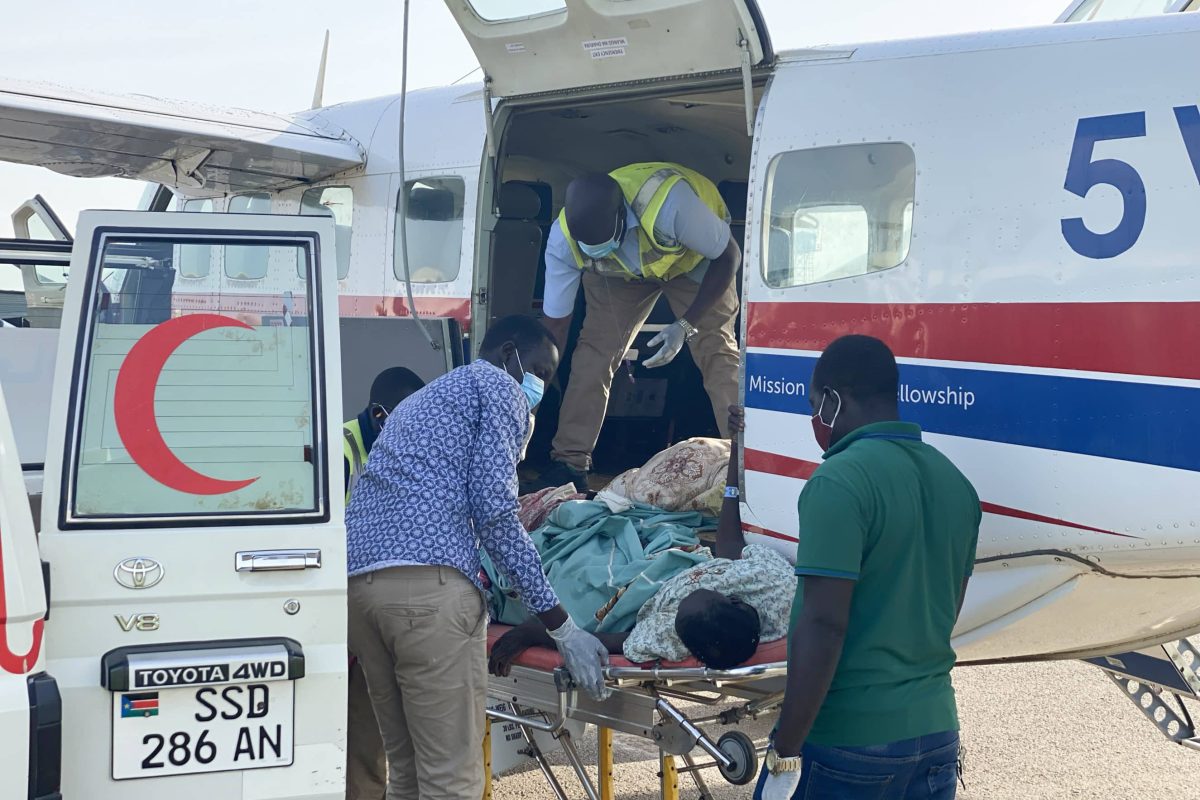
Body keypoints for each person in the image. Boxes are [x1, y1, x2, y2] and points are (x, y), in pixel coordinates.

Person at [345, 315, 610, 800]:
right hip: (427, 596)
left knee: (406, 771)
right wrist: (561, 626)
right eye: (541, 372)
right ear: (508, 352)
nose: (540, 389)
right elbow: (495, 514)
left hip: (361, 594)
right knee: (452, 780)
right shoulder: (497, 387)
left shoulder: (422, 402)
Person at [757, 336, 980, 800]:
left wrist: (785, 748)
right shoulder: (956, 485)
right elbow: (945, 613)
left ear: (834, 399)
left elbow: (824, 624)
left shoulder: (838, 481)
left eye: (816, 404)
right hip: (937, 732)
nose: (815, 419)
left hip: (849, 739)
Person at [491, 406, 795, 673]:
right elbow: (729, 546)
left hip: (636, 589)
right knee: (596, 522)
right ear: (730, 594)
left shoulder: (675, 633)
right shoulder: (772, 583)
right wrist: (738, 453)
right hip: (669, 557)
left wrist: (536, 633)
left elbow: (609, 640)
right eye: (700, 590)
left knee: (578, 574)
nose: (683, 598)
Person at [531, 163, 743, 491]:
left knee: (715, 347)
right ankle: (569, 463)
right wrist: (528, 397)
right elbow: (555, 327)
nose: (590, 246)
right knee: (594, 354)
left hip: (695, 262)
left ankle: (745, 467)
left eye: (599, 239)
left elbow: (728, 255)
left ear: (622, 217)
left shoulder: (671, 204)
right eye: (585, 243)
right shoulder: (563, 241)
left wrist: (685, 325)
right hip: (617, 274)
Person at [342, 367, 424, 800]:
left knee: (375, 739)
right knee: (361, 741)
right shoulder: (342, 450)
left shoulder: (397, 450)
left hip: (376, 606)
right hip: (343, 610)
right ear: (379, 415)